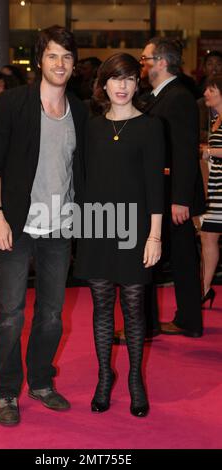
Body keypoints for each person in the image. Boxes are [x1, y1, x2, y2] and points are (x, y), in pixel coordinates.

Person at [0, 25, 87, 426]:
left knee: (52, 314)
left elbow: (80, 172)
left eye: (67, 57)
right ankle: (8, 391)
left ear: (74, 65)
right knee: (9, 314)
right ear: (40, 60)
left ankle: (41, 381)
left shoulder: (78, 109)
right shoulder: (13, 103)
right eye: (53, 55)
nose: (60, 63)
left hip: (60, 228)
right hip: (16, 225)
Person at [74, 53, 165, 417]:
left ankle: (134, 380)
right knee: (100, 308)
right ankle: (103, 377)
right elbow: (81, 179)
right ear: (104, 84)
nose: (122, 86)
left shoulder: (150, 126)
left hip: (135, 229)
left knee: (133, 309)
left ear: (136, 83)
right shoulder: (91, 126)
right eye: (115, 78)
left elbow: (156, 185)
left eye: (129, 78)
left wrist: (154, 235)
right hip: (96, 226)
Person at [138, 37, 205, 338]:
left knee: (164, 259)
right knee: (181, 259)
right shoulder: (160, 96)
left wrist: (180, 199)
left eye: (145, 59)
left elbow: (184, 151)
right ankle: (185, 320)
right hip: (166, 192)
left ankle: (151, 324)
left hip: (172, 196)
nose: (141, 64)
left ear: (162, 63)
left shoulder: (177, 97)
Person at [200, 74, 222, 308]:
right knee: (208, 236)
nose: (206, 93)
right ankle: (204, 289)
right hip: (216, 188)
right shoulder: (215, 119)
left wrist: (209, 151)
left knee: (209, 236)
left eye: (211, 90)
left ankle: (204, 289)